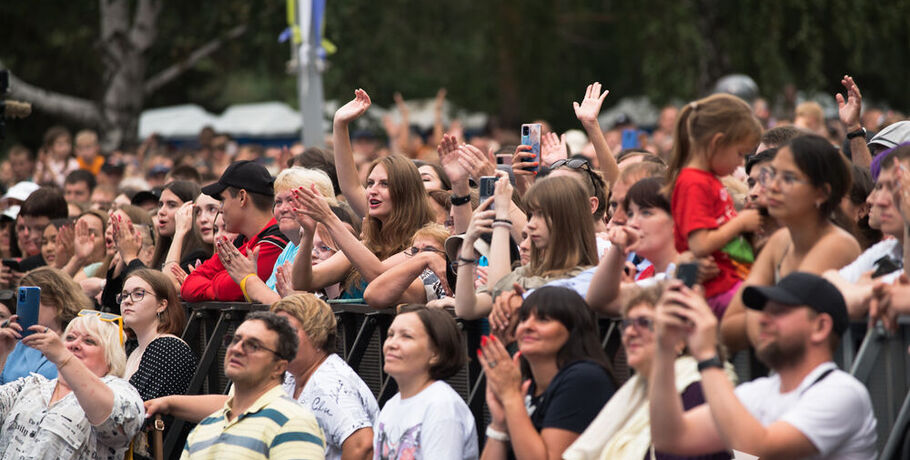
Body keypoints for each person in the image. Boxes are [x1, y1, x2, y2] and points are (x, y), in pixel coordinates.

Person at [648, 274, 877, 459]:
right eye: (764, 311)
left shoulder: (842, 392)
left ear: (820, 327)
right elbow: (671, 437)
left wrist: (708, 356)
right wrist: (664, 347)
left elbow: (759, 449)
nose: (762, 319)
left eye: (778, 312)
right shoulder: (758, 392)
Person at [146, 294, 378, 460]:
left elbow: (362, 445)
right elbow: (236, 407)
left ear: (315, 334)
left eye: (287, 330)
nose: (278, 338)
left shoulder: (329, 381)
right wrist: (169, 403)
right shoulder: (293, 374)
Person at [720, 135, 861, 352]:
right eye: (773, 175)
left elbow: (782, 333)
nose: (772, 187)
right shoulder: (779, 241)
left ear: (822, 193)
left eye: (788, 178)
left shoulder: (838, 244)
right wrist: (768, 318)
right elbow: (728, 329)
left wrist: (755, 314)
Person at [564, 285, 730, 460]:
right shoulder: (633, 391)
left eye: (644, 322)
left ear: (682, 337)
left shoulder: (698, 391)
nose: (629, 332)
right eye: (626, 324)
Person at [478, 287, 616, 460]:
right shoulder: (527, 386)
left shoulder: (585, 378)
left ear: (573, 329)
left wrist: (511, 397)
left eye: (543, 319)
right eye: (523, 318)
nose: (527, 326)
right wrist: (499, 425)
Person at [666, 94, 763, 317]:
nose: (741, 163)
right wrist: (740, 223)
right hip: (717, 291)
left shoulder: (707, 179)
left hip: (730, 283)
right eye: (740, 153)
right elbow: (700, 245)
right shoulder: (693, 182)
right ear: (717, 142)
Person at [180, 311, 325, 459]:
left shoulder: (293, 421)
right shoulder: (204, 428)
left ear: (279, 367)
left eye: (253, 346)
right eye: (235, 340)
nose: (236, 349)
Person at [0, 313, 145, 458]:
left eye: (89, 341)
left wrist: (65, 359)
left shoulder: (120, 390)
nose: (74, 345)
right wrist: (1, 353)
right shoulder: (31, 385)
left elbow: (119, 424)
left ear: (110, 357)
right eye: (70, 338)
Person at [456, 175, 598, 319]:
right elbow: (467, 309)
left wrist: (502, 218)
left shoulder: (583, 278)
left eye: (540, 214)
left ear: (568, 218)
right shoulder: (529, 271)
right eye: (531, 215)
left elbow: (498, 286)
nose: (530, 224)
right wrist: (468, 243)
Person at [218, 167, 336, 304]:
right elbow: (270, 302)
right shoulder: (290, 246)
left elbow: (290, 306)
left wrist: (249, 279)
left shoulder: (326, 244)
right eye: (278, 202)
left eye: (291, 200)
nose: (283, 209)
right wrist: (249, 281)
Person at [374, 305, 477, 459]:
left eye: (406, 336)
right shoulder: (390, 406)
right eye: (390, 334)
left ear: (435, 353)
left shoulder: (442, 406)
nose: (391, 344)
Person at [181, 161, 289, 302]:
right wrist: (219, 285)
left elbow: (230, 290)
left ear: (242, 197)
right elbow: (189, 284)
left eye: (223, 200)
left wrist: (213, 284)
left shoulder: (275, 243)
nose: (220, 209)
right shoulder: (240, 241)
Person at [120, 269, 197, 456]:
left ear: (161, 305)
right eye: (124, 296)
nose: (127, 301)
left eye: (138, 294)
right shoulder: (133, 349)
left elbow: (136, 415)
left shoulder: (168, 348)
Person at [0, 267, 91, 384]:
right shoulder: (21, 344)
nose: (25, 308)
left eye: (32, 300)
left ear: (57, 301)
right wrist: (3, 353)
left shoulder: (76, 343)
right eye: (22, 301)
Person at [363, 223, 452, 308]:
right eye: (414, 251)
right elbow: (374, 295)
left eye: (429, 250)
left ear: (449, 254)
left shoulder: (453, 272)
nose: (418, 256)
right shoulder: (423, 277)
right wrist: (426, 257)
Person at [151, 180, 211, 273]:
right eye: (160, 205)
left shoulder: (200, 255)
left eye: (171, 205)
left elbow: (168, 284)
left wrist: (180, 231)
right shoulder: (163, 251)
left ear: (191, 210)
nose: (161, 211)